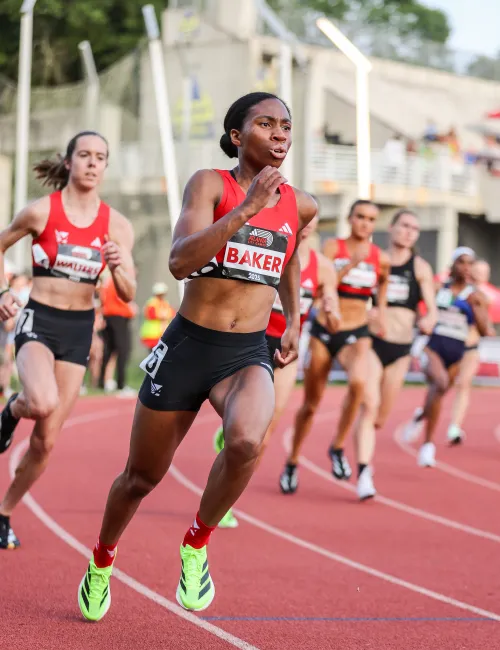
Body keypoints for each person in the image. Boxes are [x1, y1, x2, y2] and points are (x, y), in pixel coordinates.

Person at [77, 92, 317, 620]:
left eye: (286, 126)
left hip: (246, 351)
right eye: (265, 124)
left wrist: (294, 317)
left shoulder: (302, 203)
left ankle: (196, 543)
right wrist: (248, 208)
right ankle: (101, 559)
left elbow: (288, 257)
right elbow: (181, 261)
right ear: (237, 136)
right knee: (141, 477)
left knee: (249, 439)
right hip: (189, 346)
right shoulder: (211, 184)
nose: (279, 134)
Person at [0, 131, 136, 550]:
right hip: (39, 320)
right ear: (70, 161)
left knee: (45, 442)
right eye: (85, 155)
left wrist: (116, 268)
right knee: (40, 402)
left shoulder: (117, 225)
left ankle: (3, 514)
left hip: (78, 330)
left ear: (105, 167)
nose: (93, 163)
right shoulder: (40, 212)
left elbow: (129, 292)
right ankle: (11, 410)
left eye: (101, 157)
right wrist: (4, 293)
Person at [213, 215, 341, 528]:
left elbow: (333, 310)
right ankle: (228, 434)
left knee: (266, 429)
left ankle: (226, 502)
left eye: (312, 218)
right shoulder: (269, 245)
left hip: (287, 349)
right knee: (244, 421)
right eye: (302, 216)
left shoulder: (323, 267)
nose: (307, 222)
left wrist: (331, 310)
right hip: (250, 339)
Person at [280, 200, 390, 493]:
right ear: (350, 218)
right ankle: (292, 460)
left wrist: (380, 312)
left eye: (370, 219)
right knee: (311, 404)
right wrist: (353, 263)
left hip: (358, 332)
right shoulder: (333, 248)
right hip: (325, 332)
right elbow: (320, 282)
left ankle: (338, 446)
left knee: (358, 383)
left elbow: (382, 287)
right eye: (360, 217)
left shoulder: (380, 256)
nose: (365, 223)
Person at [353, 209, 437, 499]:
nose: (409, 231)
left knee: (380, 417)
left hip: (401, 350)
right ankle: (364, 472)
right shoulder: (375, 259)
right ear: (392, 228)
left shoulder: (420, 267)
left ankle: (364, 447)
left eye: (414, 228)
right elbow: (354, 294)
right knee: (369, 405)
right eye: (404, 225)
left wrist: (429, 319)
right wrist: (367, 311)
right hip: (373, 342)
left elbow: (432, 308)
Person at [403, 248, 491, 466]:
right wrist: (421, 320)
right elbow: (414, 302)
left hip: (457, 352)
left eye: (470, 263)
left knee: (439, 393)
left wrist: (477, 308)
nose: (466, 267)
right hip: (432, 346)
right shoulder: (438, 286)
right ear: (452, 265)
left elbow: (485, 330)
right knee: (440, 383)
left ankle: (420, 416)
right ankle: (428, 445)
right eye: (461, 262)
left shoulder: (477, 296)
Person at [446, 259, 494, 444]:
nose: (481, 275)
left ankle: (454, 427)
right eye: (478, 271)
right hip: (451, 344)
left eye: (485, 272)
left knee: (463, 385)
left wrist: (486, 328)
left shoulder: (485, 296)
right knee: (443, 385)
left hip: (471, 348)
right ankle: (424, 413)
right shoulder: (453, 289)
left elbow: (486, 326)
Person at [98, 271, 137, 397]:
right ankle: (121, 384)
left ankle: (101, 382)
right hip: (118, 317)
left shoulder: (109, 282)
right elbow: (124, 298)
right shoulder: (119, 281)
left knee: (109, 350)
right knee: (123, 349)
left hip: (110, 316)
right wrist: (130, 309)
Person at [140, 282, 176, 350]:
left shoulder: (165, 303)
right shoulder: (152, 303)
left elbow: (172, 313)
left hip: (162, 333)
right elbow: (151, 315)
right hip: (152, 334)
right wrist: (163, 315)